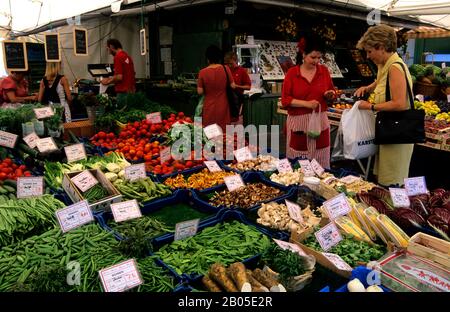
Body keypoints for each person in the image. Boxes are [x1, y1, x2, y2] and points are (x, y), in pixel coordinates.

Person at [354, 24, 414, 187]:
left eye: (369, 51)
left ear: (380, 47)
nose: (367, 56)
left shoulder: (395, 68)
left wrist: (370, 106)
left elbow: (399, 104)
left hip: (397, 135)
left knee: (392, 182)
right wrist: (369, 87)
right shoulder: (385, 64)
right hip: (389, 131)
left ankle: (394, 211)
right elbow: (382, 81)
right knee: (384, 178)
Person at [281, 35, 336, 168]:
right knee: (299, 162)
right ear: (304, 54)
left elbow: (332, 91)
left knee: (321, 159)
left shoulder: (324, 71)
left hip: (320, 121)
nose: (316, 61)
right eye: (313, 57)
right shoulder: (292, 73)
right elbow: (285, 100)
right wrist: (306, 104)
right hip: (298, 123)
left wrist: (330, 95)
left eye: (319, 58)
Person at [197, 45, 235, 131]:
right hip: (223, 105)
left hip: (208, 106)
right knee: (223, 131)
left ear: (207, 58)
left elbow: (200, 91)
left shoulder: (202, 72)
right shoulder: (226, 69)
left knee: (210, 131)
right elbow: (233, 86)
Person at [224, 51, 251, 124]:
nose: (229, 66)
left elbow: (248, 87)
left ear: (236, 61)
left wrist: (236, 86)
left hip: (236, 102)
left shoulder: (241, 71)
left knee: (234, 125)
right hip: (224, 102)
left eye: (231, 63)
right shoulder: (224, 70)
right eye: (227, 64)